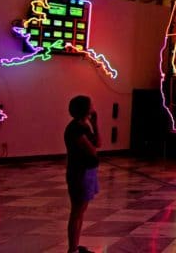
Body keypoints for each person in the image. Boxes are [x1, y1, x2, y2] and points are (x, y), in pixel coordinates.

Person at [64, 95, 101, 253]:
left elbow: (98, 143)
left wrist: (95, 124)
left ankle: (75, 247)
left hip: (87, 171)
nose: (94, 106)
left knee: (81, 210)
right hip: (79, 172)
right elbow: (92, 149)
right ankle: (72, 249)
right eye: (91, 104)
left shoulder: (84, 125)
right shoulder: (76, 129)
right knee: (77, 211)